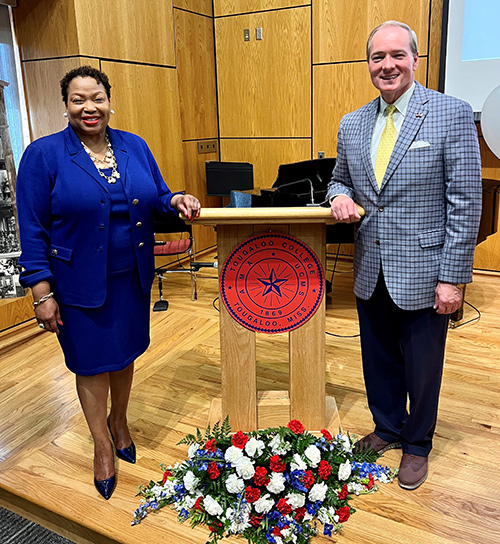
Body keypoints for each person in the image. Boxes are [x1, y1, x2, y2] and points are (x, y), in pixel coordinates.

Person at [16, 66, 200, 500]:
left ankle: (120, 421)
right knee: (92, 363)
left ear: (109, 101)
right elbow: (33, 227)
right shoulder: (44, 155)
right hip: (77, 285)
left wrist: (175, 200)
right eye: (78, 99)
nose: (88, 107)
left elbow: (156, 197)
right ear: (66, 106)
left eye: (96, 97)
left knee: (123, 355)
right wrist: (41, 291)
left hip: (130, 277)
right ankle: (102, 444)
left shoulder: (134, 146)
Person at [327, 21, 482, 490]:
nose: (387, 65)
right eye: (378, 57)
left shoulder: (450, 113)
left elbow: (466, 200)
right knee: (377, 358)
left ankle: (417, 443)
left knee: (422, 364)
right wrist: (337, 196)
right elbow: (339, 179)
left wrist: (453, 278)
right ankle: (388, 426)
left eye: (397, 55)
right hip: (370, 265)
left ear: (416, 59)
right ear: (368, 64)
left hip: (426, 269)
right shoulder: (352, 123)